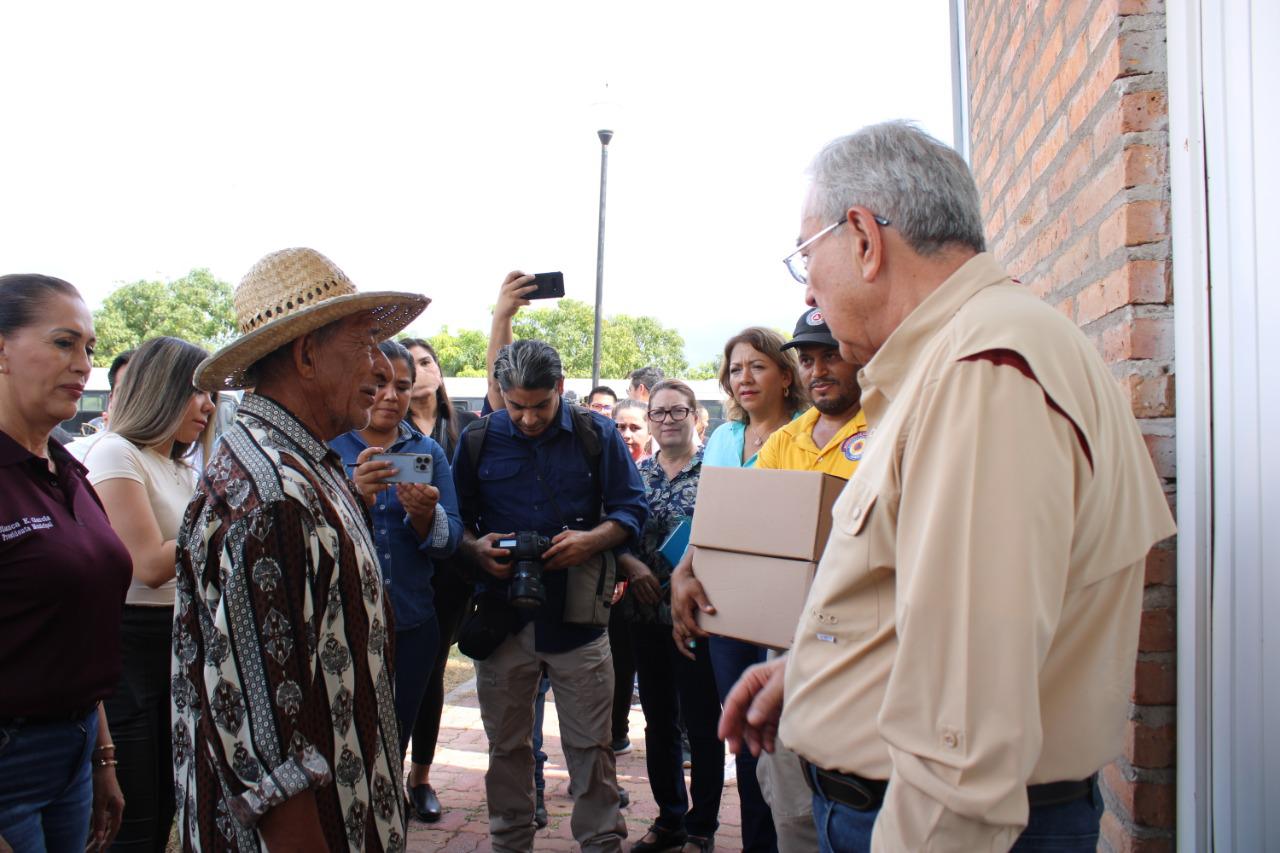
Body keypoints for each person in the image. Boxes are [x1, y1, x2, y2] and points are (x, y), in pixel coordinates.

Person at [720, 121, 1178, 852]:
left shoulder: (982, 375)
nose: (807, 287)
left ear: (864, 238)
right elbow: (926, 611)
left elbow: (961, 741)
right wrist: (813, 673)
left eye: (806, 257)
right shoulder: (968, 359)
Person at [172, 247, 428, 852]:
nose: (378, 367)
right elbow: (264, 739)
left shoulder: (302, 465)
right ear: (306, 353)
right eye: (364, 344)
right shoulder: (275, 492)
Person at [675, 308, 867, 853]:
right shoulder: (790, 438)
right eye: (808, 358)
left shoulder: (887, 427)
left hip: (860, 645)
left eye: (831, 354)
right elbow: (729, 514)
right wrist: (684, 572)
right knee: (788, 802)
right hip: (787, 643)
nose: (819, 369)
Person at [451, 338, 648, 853]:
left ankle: (601, 841)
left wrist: (592, 540)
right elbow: (456, 524)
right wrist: (478, 549)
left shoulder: (596, 433)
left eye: (540, 405)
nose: (529, 418)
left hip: (579, 615)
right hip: (502, 617)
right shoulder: (477, 439)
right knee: (507, 747)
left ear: (560, 387)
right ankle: (509, 841)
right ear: (500, 393)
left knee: (591, 745)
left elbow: (631, 511)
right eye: (516, 406)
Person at [0, 274, 129, 852]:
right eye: (62, 342)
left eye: (90, 349)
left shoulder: (68, 470)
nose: (84, 364)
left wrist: (100, 753)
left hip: (74, 752)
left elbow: (75, 624)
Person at [81, 337, 216, 853]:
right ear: (161, 390)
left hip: (178, 642)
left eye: (211, 395)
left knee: (166, 805)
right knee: (133, 819)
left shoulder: (182, 468)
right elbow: (148, 564)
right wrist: (223, 514)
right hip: (131, 644)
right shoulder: (117, 452)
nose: (207, 406)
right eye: (197, 391)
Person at [682, 326, 805, 853]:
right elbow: (705, 520)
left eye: (757, 365)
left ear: (784, 373)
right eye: (735, 368)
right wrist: (679, 574)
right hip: (724, 607)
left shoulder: (808, 431)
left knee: (792, 740)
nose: (744, 378)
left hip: (790, 609)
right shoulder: (723, 440)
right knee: (749, 745)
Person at [332, 339, 463, 771]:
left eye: (403, 386)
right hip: (343, 625)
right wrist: (354, 498)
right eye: (379, 383)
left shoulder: (427, 451)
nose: (391, 395)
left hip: (411, 622)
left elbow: (449, 541)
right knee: (345, 743)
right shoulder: (330, 446)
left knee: (395, 740)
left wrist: (425, 517)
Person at [620, 380, 725, 853]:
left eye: (677, 412)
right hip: (644, 614)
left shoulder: (716, 474)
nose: (666, 421)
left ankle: (703, 825)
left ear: (696, 417)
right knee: (659, 722)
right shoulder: (635, 473)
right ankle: (669, 819)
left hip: (698, 615)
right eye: (658, 413)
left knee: (702, 723)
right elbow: (617, 531)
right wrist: (630, 563)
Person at [398, 337, 479, 823]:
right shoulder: (387, 431)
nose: (420, 372)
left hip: (454, 573)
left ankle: (421, 776)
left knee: (430, 676)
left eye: (426, 361)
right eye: (409, 366)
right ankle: (387, 772)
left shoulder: (467, 428)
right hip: (405, 568)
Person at [66, 349, 134, 460]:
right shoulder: (74, 457)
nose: (138, 402)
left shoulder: (169, 460)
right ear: (111, 399)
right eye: (127, 393)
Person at [613, 398, 651, 465]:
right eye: (621, 427)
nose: (626, 435)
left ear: (649, 433)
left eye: (635, 428)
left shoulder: (657, 471)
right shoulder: (600, 468)